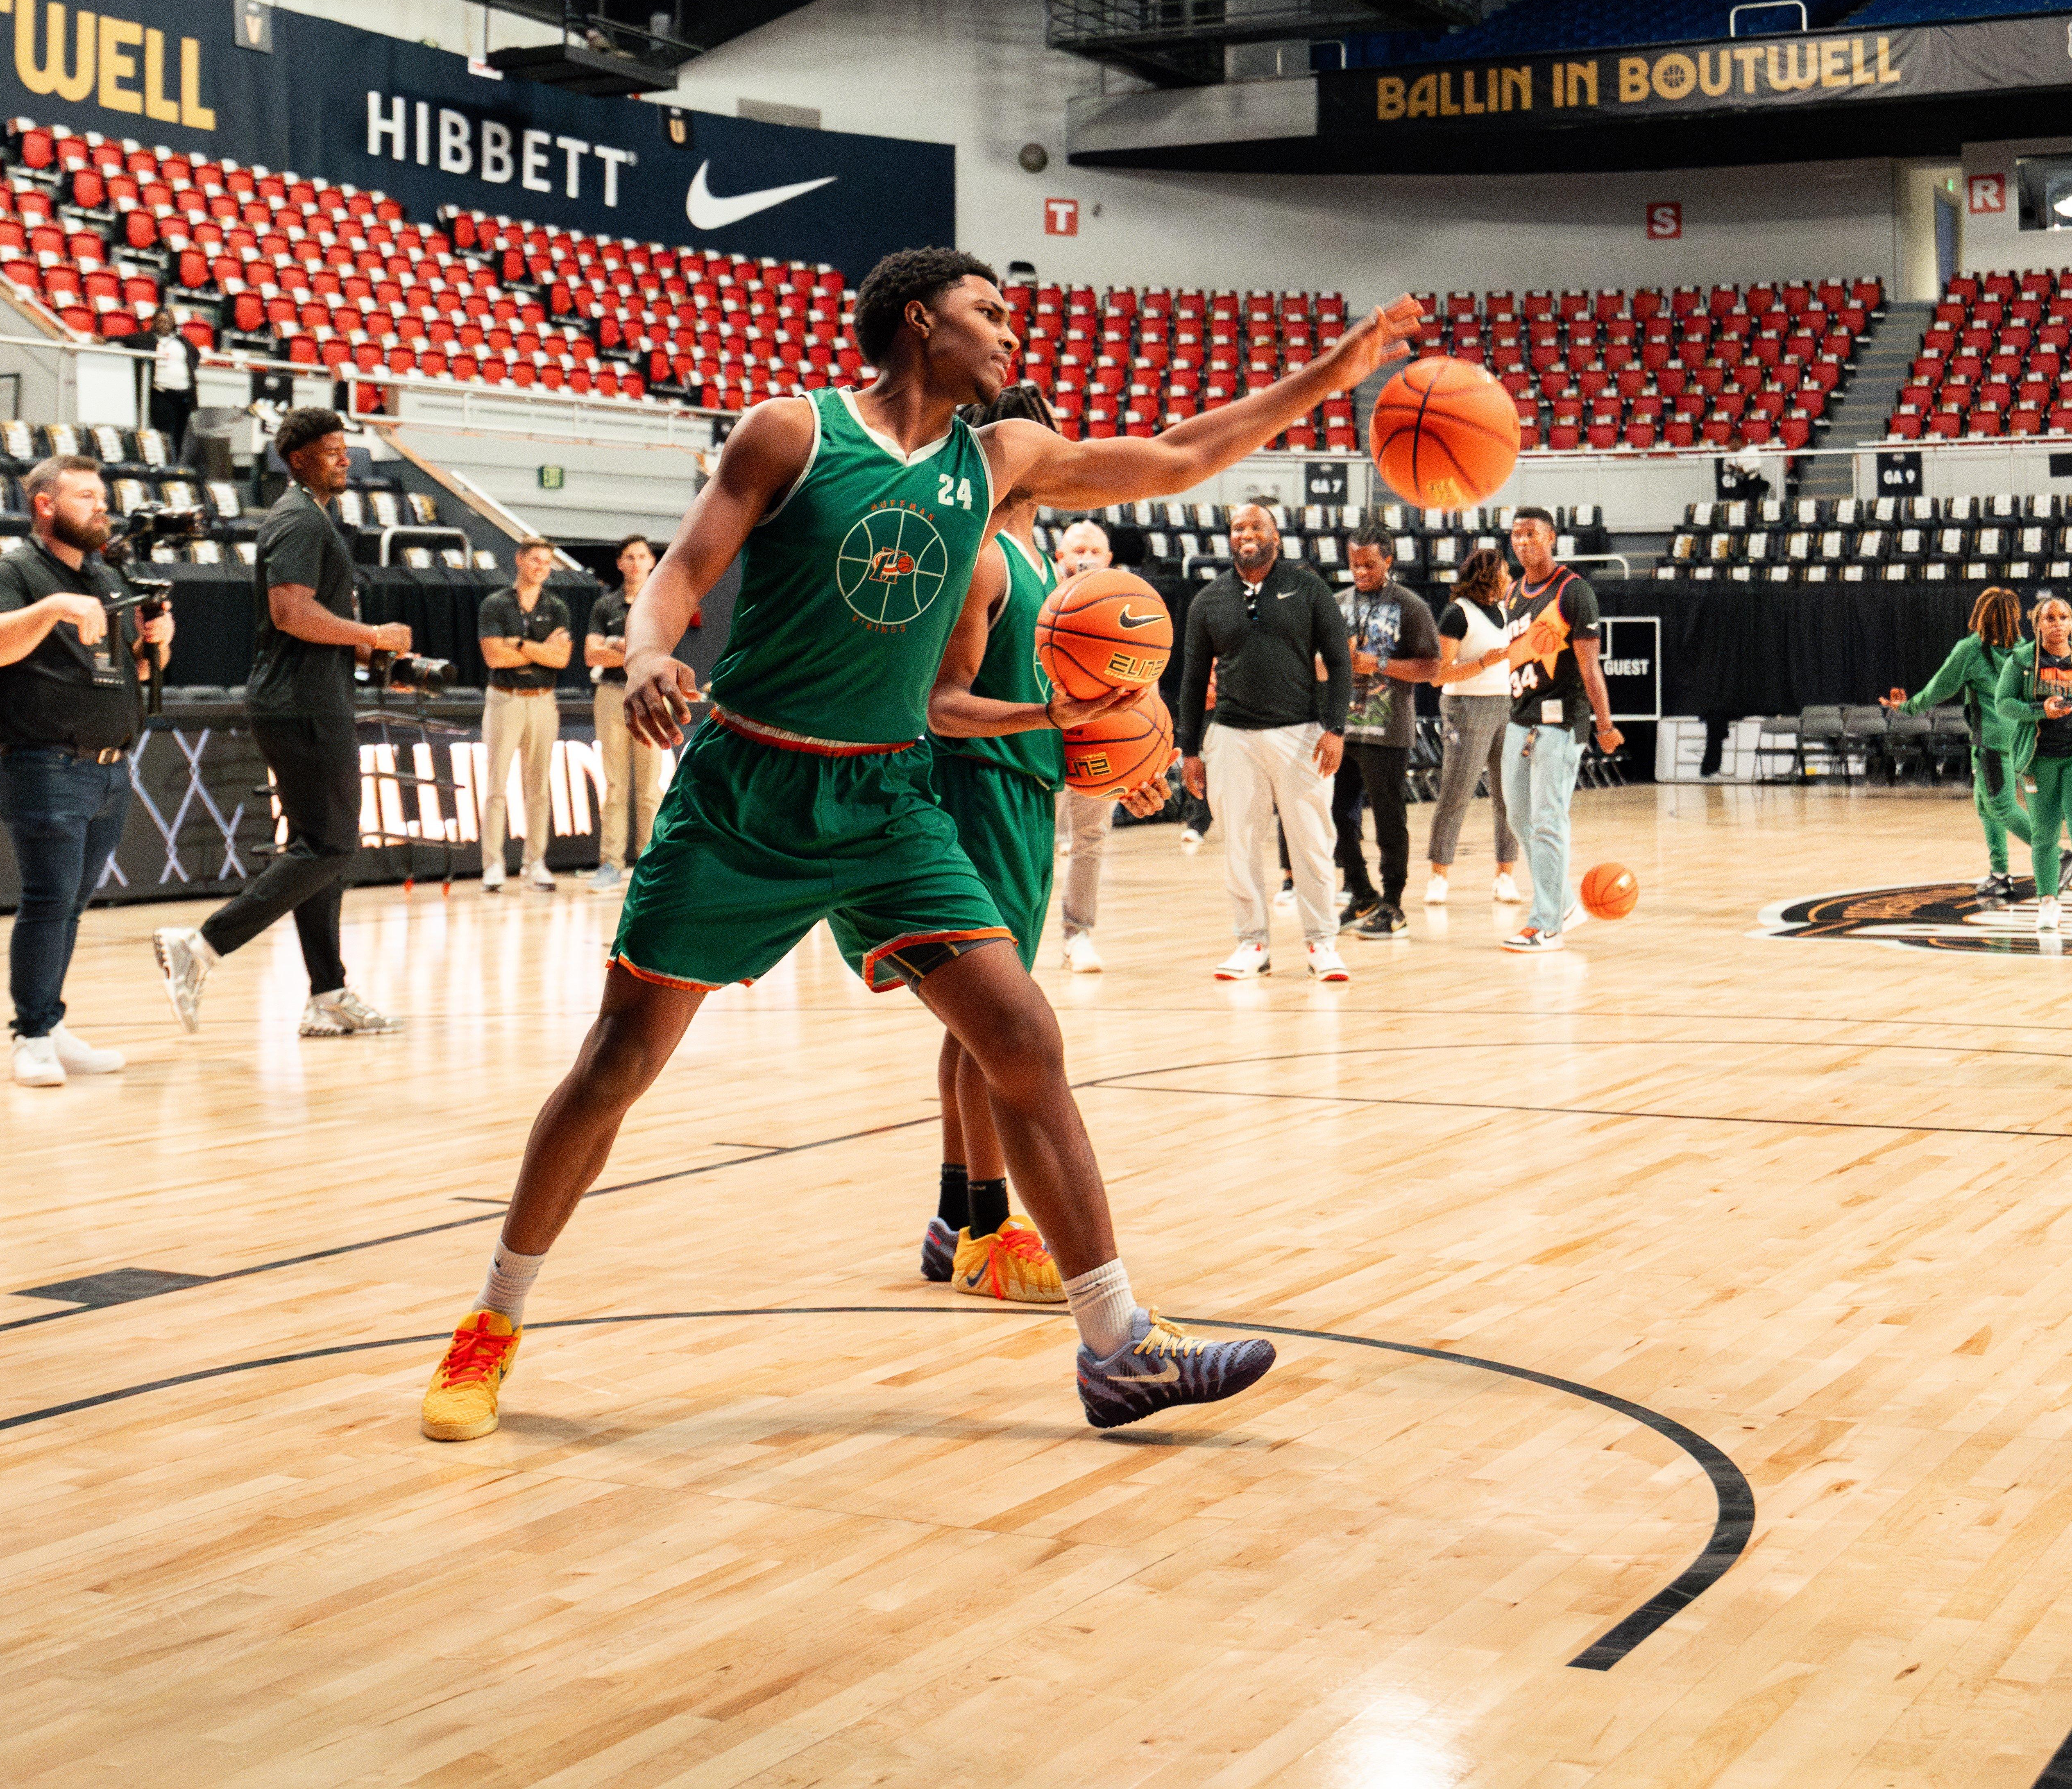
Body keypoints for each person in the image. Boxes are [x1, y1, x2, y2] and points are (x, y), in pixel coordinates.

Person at [414, 245, 1421, 1445]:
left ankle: (1116, 1346)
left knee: (1021, 1032)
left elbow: (1182, 452)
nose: (1009, 330)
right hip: (749, 787)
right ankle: (491, 1317)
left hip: (891, 801)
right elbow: (683, 570)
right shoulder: (790, 431)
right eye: (987, 311)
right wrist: (643, 651)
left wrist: (1334, 373)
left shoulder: (1002, 457)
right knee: (620, 1060)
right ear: (914, 317)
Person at [919, 389, 1170, 1302]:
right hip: (977, 793)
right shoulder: (985, 558)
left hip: (1022, 791)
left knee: (977, 1023)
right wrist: (1051, 723)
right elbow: (942, 706)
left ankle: (958, 1214)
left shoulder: (1034, 561)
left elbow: (1068, 713)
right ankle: (987, 1227)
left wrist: (1118, 761)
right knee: (993, 1019)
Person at [151, 408, 413, 1037]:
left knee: (316, 851)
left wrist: (362, 646)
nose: (345, 458)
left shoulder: (312, 517)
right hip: (302, 703)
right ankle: (203, 944)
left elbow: (308, 619)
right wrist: (372, 632)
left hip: (303, 697)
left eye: (346, 449)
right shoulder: (298, 518)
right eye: (331, 450)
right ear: (297, 458)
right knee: (333, 845)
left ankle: (327, 994)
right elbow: (291, 612)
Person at [0, 453, 172, 1085]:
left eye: (103, 497)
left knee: (72, 906)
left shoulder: (105, 576)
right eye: (86, 496)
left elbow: (126, 670)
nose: (101, 507)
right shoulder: (15, 571)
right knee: (49, 902)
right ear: (45, 505)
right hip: (46, 765)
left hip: (110, 771)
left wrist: (154, 643)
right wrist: (52, 605)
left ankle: (50, 1023)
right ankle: (29, 1035)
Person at [1179, 502, 1353, 983]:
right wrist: (1189, 749)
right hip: (1231, 735)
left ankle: (1321, 943)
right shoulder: (1208, 599)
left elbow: (1340, 664)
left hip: (1301, 735)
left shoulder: (1310, 589)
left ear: (1276, 536)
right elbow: (1192, 681)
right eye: (1239, 527)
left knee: (1313, 844)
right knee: (1239, 843)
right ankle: (1251, 942)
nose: (1247, 534)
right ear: (1229, 537)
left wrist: (1335, 727)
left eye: (1257, 526)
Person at [1497, 507, 1624, 954]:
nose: (1522, 542)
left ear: (1551, 537)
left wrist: (1604, 726)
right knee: (1519, 818)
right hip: (1521, 717)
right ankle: (1565, 901)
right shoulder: (1513, 591)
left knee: (1548, 820)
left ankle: (1546, 922)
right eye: (1516, 535)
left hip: (1561, 720)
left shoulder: (1574, 592)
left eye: (1531, 534)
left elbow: (1592, 667)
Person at [1882, 586, 2032, 901]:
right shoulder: (2024, 650)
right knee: (1985, 805)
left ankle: (2057, 857)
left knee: (2002, 807)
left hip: (1991, 740)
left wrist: (1907, 707)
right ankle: (2000, 875)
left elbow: (1940, 688)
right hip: (2021, 739)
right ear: (2015, 619)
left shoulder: (1971, 650)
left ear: (1980, 618)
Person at [1332, 523, 1441, 940]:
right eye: (1354, 563)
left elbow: (1432, 669)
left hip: (1387, 728)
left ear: (1389, 560)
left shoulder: (1411, 605)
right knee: (1336, 816)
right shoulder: (1337, 602)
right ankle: (1361, 893)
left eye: (1369, 564)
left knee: (1389, 820)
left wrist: (1377, 664)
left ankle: (1393, 905)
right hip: (1341, 729)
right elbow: (1319, 665)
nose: (1360, 571)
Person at [1993, 595, 2072, 938]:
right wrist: (2039, 710)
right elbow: (2003, 704)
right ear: (2039, 624)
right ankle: (2048, 903)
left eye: (2064, 617)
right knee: (2044, 835)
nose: (2057, 623)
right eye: (2050, 618)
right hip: (2039, 759)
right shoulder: (2021, 661)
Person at [1421, 543, 1524, 908]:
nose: (1510, 579)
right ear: (1488, 576)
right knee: (1457, 793)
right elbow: (1438, 675)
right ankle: (1438, 876)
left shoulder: (1505, 610)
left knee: (1509, 796)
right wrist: (1483, 663)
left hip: (1506, 705)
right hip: (1466, 706)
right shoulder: (1456, 614)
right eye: (1505, 573)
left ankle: (1505, 877)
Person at [478, 538, 574, 890]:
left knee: (539, 788)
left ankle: (535, 864)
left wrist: (516, 644)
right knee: (496, 787)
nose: (541, 567)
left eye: (547, 562)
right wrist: (539, 649)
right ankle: (493, 865)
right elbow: (493, 656)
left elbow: (561, 660)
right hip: (505, 698)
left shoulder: (558, 607)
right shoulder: (495, 604)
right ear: (520, 560)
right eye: (535, 560)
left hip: (543, 700)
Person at [1052, 517, 1119, 972]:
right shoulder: (1036, 595)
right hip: (1041, 735)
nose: (1086, 556)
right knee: (1035, 840)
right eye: (1077, 549)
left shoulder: (1122, 605)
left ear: (1109, 559)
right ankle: (1006, 937)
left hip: (1101, 738)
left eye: (1094, 550)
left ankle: (1078, 934)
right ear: (1059, 557)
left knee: (1091, 838)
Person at [585, 534, 666, 894]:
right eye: (629, 557)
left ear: (652, 561)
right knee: (616, 785)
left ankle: (648, 862)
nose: (636, 563)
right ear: (619, 563)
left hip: (650, 696)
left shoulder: (664, 600)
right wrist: (631, 651)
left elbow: (659, 653)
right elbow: (591, 656)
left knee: (650, 788)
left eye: (642, 556)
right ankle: (610, 863)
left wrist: (617, 646)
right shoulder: (606, 606)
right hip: (611, 695)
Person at [135, 308, 197, 460]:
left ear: (173, 324)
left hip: (184, 395)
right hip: (162, 393)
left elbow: (196, 355)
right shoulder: (146, 339)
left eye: (167, 322)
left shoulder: (182, 341)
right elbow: (122, 339)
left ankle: (175, 465)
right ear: (154, 322)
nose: (164, 325)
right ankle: (164, 464)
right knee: (163, 433)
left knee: (179, 434)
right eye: (161, 321)